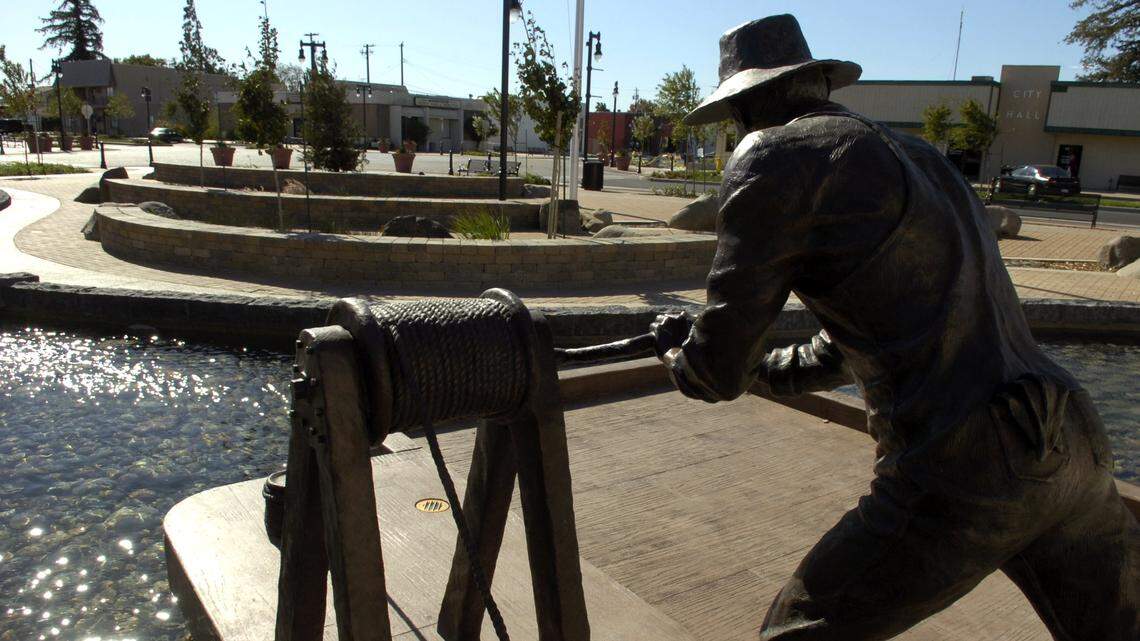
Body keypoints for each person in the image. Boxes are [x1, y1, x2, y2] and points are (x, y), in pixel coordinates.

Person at [651, 14, 1139, 641]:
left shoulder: (775, 154)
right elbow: (840, 349)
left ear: (743, 106)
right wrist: (756, 369)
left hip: (963, 461)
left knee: (794, 631)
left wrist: (681, 353)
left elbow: (717, 371)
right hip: (1069, 434)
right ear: (816, 83)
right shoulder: (920, 157)